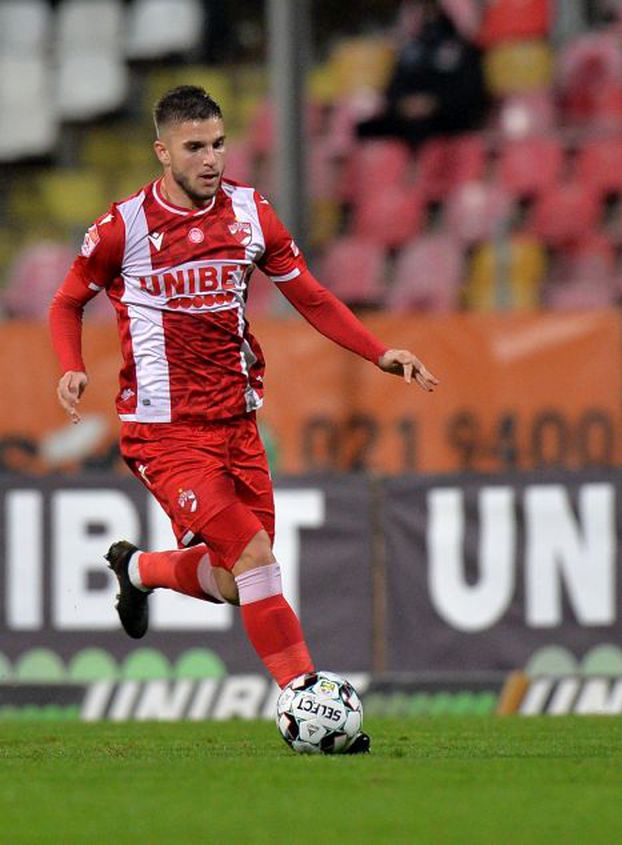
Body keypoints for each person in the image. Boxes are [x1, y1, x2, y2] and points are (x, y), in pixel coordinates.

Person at [48, 86, 438, 752]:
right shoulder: (123, 227)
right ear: (162, 150)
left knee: (236, 579)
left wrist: (380, 352)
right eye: (195, 147)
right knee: (256, 557)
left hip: (237, 424)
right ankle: (306, 699)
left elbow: (309, 295)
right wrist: (70, 364)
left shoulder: (253, 213)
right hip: (163, 431)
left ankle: (139, 569)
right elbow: (65, 302)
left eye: (219, 143)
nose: (210, 158)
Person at [355, 0, 489, 146]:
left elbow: (472, 93)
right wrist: (404, 104)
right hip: (408, 118)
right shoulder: (411, 49)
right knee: (364, 128)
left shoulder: (465, 49)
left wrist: (433, 104)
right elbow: (393, 89)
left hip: (448, 119)